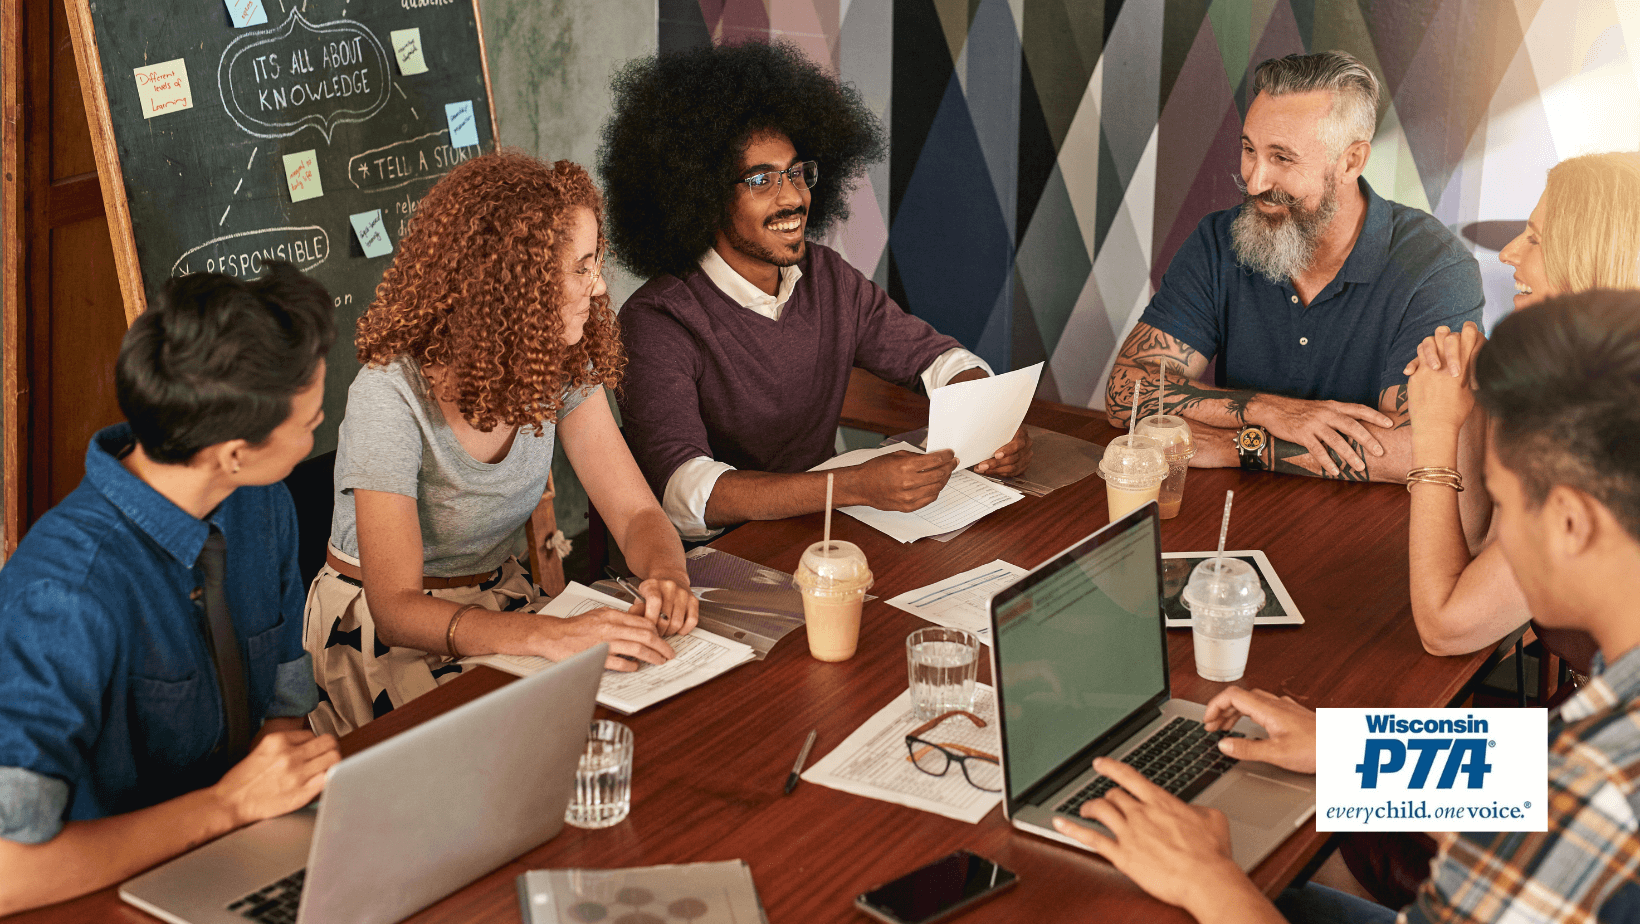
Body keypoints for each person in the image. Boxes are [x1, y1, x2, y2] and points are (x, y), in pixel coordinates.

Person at [1056, 290, 1640, 924]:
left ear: (1571, 523)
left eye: (1502, 504)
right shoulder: (1614, 702)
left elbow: (1569, 791)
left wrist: (1209, 881)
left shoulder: (1588, 812)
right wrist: (1350, 753)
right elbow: (1540, 765)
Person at [305, 153, 697, 737]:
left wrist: (667, 574)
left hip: (498, 600)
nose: (599, 286)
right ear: (515, 285)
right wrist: (549, 635)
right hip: (384, 633)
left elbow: (637, 510)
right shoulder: (388, 396)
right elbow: (396, 609)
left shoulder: (562, 362)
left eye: (597, 262)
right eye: (582, 268)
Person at [0, 264, 341, 914]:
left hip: (242, 863)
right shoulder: (64, 596)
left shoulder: (260, 502)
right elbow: (6, 872)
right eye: (310, 420)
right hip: (102, 899)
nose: (317, 428)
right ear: (233, 453)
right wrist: (228, 806)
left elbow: (282, 707)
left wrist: (271, 789)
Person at [598, 40, 1031, 541]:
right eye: (761, 180)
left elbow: (938, 359)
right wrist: (847, 486)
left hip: (815, 539)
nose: (794, 197)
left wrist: (989, 426)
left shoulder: (826, 277)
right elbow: (683, 492)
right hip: (707, 566)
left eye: (797, 172)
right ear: (702, 194)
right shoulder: (658, 321)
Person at [1105, 51, 1483, 483]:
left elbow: (1425, 449)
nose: (1254, 180)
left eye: (1282, 158)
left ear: (1351, 162)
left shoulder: (1436, 268)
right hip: (1239, 519)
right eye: (1249, 149)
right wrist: (1265, 410)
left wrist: (1243, 445)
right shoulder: (1218, 240)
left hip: (1378, 533)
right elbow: (1125, 394)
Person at [1406, 152, 1640, 665]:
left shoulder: (1603, 440)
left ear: (1591, 261)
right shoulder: (1577, 394)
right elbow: (1473, 554)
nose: (1509, 253)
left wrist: (1434, 432)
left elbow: (1447, 626)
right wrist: (1468, 399)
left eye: (1535, 238)